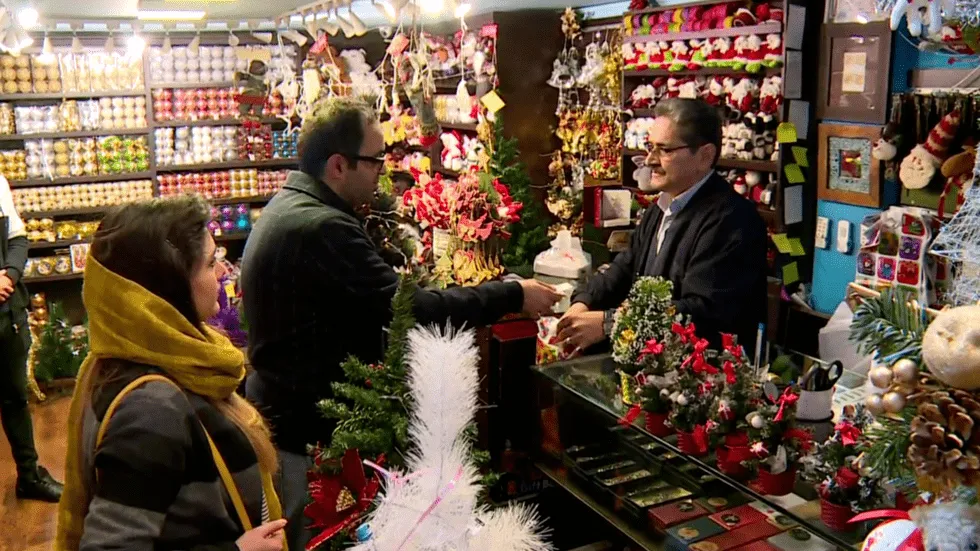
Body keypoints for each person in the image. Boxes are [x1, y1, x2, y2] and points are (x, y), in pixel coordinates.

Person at [241, 97, 561, 550]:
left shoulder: (290, 208)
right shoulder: (321, 227)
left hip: (291, 422)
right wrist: (512, 293)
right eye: (375, 161)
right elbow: (410, 309)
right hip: (308, 436)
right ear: (338, 165)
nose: (382, 173)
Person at [56, 196, 287, 551]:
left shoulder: (139, 359)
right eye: (211, 263)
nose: (224, 273)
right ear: (168, 289)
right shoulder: (151, 409)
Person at [557, 98, 768, 353]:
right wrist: (584, 302)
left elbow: (701, 312)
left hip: (699, 377)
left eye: (664, 150)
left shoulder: (733, 220)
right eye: (649, 147)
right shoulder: (662, 206)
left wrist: (609, 323)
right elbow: (624, 268)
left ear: (705, 155)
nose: (649, 160)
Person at [0, 174, 62, 502]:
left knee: (15, 397)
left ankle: (29, 476)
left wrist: (8, 274)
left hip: (6, 314)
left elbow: (18, 239)